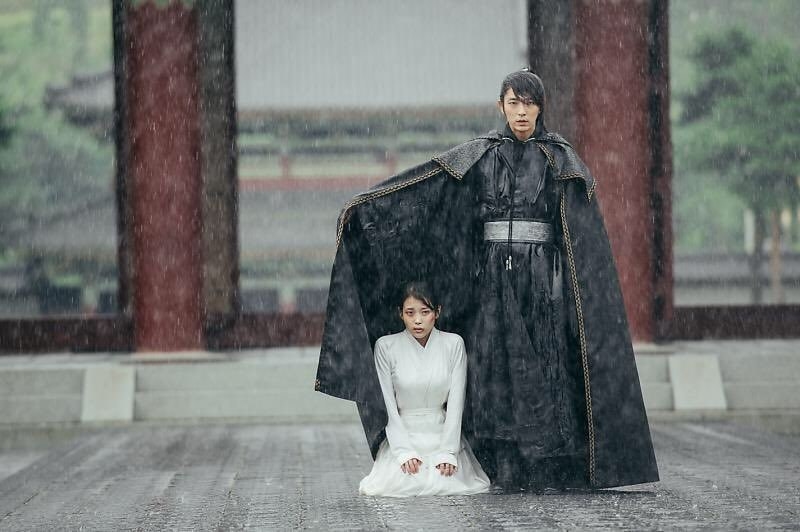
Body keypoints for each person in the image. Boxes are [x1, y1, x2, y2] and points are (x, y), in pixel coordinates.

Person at [315, 70, 659, 491]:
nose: (520, 112)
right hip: (492, 281)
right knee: (494, 368)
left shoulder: (560, 161)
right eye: (513, 103)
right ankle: (504, 461)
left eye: (528, 103)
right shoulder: (480, 156)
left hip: (540, 284)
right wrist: (367, 208)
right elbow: (429, 189)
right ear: (501, 106)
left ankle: (547, 464)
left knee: (543, 366)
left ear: (540, 108)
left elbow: (581, 237)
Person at [358, 282, 490, 497]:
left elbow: (456, 404)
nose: (417, 320)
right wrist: (403, 452)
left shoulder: (453, 344)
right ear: (400, 313)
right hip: (404, 432)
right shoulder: (385, 346)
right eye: (410, 313)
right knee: (404, 481)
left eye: (425, 312)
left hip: (442, 432)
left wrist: (448, 452)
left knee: (446, 480)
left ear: (438, 312)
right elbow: (388, 406)